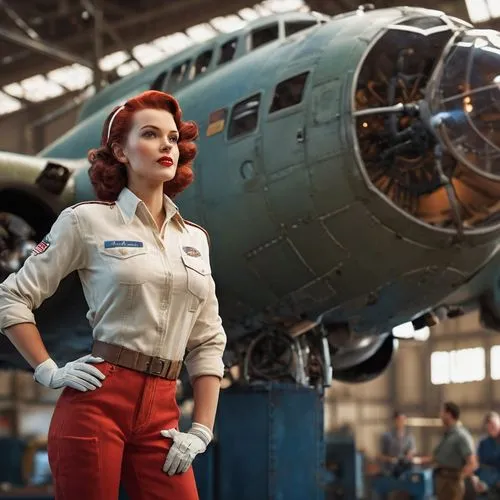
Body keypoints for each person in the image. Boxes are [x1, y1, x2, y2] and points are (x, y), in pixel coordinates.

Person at [0, 90, 227, 500]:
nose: (166, 146)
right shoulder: (86, 221)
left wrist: (202, 429)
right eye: (152, 135)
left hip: (164, 411)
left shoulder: (195, 240)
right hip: (96, 403)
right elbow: (11, 298)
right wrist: (48, 369)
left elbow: (208, 341)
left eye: (173, 138)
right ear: (120, 151)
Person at [432, 402, 477, 500]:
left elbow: (472, 463)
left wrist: (459, 478)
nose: (440, 415)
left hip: (453, 483)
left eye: (442, 412)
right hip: (442, 481)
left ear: (449, 414)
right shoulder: (447, 435)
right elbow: (437, 457)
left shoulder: (461, 436)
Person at [377, 411, 416, 499]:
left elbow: (412, 450)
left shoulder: (409, 436)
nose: (402, 422)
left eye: (403, 420)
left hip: (405, 471)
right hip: (390, 472)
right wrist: (391, 459)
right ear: (395, 421)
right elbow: (380, 455)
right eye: (399, 419)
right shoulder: (387, 436)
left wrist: (410, 454)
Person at [476, 412, 500, 498]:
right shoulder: (483, 443)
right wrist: (477, 480)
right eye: (489, 426)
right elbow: (477, 464)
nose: (491, 428)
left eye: (493, 425)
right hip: (485, 485)